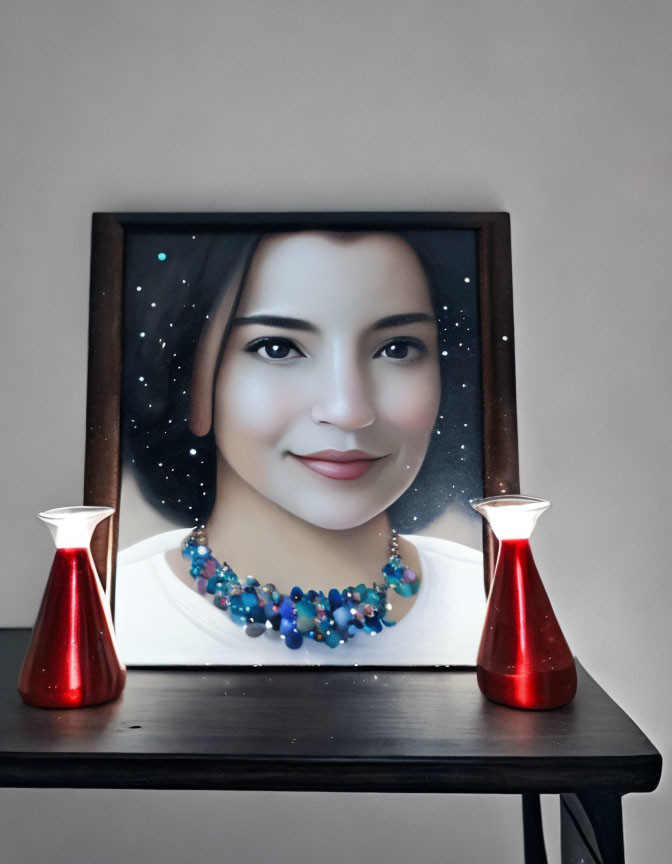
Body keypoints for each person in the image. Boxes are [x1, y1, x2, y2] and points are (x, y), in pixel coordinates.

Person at [116, 230, 485, 665]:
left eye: (397, 348)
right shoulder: (109, 613)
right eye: (278, 348)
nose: (348, 410)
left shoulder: (494, 603)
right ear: (194, 384)